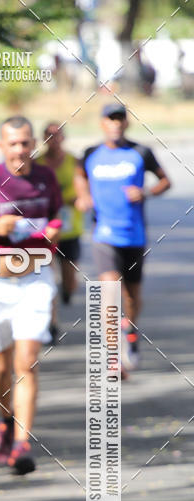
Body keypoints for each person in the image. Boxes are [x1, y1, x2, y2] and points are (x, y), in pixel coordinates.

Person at [0, 116, 62, 476]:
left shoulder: (46, 179)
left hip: (36, 280)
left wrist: (53, 234)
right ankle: (5, 420)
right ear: (1, 145)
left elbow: (58, 218)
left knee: (26, 361)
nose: (21, 149)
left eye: (26, 142)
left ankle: (23, 443)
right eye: (13, 143)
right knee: (1, 363)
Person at [75, 102, 171, 369]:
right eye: (110, 119)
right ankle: (112, 355)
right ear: (102, 123)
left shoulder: (141, 152)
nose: (115, 124)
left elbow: (166, 181)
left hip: (134, 235)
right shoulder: (91, 153)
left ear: (126, 123)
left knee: (131, 296)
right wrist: (83, 196)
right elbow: (79, 175)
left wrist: (147, 192)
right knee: (109, 292)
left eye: (120, 119)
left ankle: (131, 331)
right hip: (104, 235)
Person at [36, 122, 84, 305]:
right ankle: (51, 302)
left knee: (69, 273)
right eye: (49, 135)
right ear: (43, 139)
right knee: (46, 269)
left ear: (63, 137)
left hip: (69, 225)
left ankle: (67, 291)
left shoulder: (74, 161)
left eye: (57, 135)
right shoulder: (36, 163)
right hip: (45, 225)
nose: (53, 139)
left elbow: (85, 187)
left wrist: (79, 199)